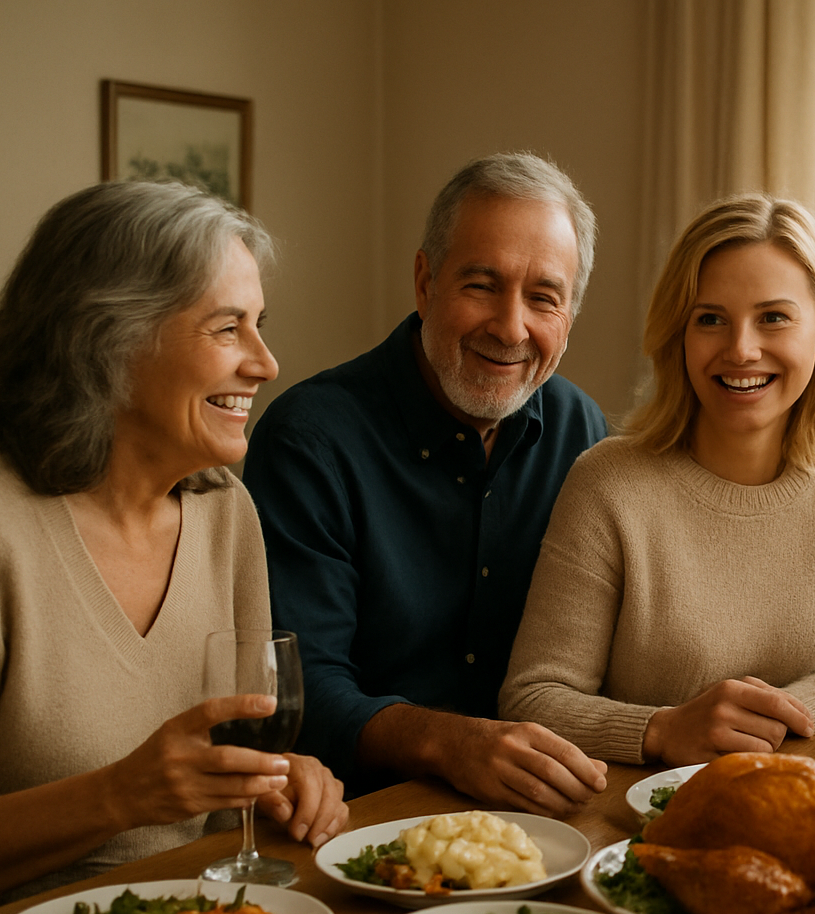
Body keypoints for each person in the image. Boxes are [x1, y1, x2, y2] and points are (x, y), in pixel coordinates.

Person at [0, 181, 347, 908]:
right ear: (109, 341)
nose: (266, 364)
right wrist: (119, 796)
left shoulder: (225, 511)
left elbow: (225, 791)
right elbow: (146, 792)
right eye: (227, 328)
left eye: (259, 325)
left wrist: (276, 783)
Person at [243, 153, 609, 813]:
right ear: (424, 282)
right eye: (482, 285)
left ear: (571, 314)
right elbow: (300, 688)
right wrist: (451, 742)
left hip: (545, 807)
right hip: (359, 817)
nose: (511, 327)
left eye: (543, 298)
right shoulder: (309, 440)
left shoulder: (582, 431)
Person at [498, 194, 815, 766]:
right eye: (710, 319)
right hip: (637, 803)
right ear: (679, 333)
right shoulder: (608, 484)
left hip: (796, 785)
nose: (742, 349)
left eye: (773, 317)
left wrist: (761, 723)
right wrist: (663, 730)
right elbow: (533, 698)